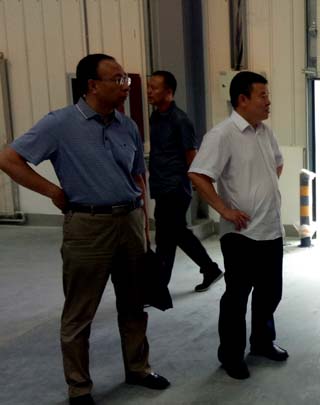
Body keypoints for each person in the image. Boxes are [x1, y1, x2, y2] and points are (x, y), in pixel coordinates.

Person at [0, 54, 169, 405]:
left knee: (134, 305)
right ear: (92, 85)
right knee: (80, 311)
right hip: (88, 226)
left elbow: (138, 176)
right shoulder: (60, 124)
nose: (126, 86)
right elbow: (8, 158)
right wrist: (52, 191)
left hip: (130, 221)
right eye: (117, 79)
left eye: (125, 79)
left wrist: (144, 226)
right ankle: (79, 387)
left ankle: (138, 368)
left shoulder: (127, 125)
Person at [188, 71, 288, 380]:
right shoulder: (222, 135)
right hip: (241, 233)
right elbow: (198, 174)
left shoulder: (265, 132)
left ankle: (262, 343)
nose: (268, 101)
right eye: (262, 95)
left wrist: (261, 190)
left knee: (270, 293)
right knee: (237, 297)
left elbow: (278, 163)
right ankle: (231, 355)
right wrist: (224, 209)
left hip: (270, 228)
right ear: (242, 99)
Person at [147, 70, 223, 291]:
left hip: (176, 187)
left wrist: (197, 184)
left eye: (154, 88)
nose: (149, 91)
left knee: (167, 236)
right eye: (148, 87)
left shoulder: (180, 120)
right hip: (160, 185)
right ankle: (210, 269)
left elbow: (192, 155)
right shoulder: (155, 117)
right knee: (174, 234)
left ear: (169, 92)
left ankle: (158, 287)